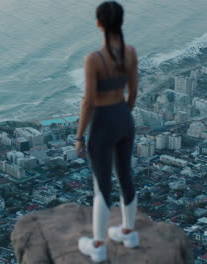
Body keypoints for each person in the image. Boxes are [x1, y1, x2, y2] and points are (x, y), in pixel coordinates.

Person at [75, 1, 139, 262]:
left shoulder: (94, 59)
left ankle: (98, 246)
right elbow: (133, 93)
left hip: (102, 123)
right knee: (125, 176)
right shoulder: (131, 52)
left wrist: (79, 136)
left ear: (98, 23)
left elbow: (88, 101)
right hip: (125, 118)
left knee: (102, 186)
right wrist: (123, 114)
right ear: (121, 23)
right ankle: (128, 232)